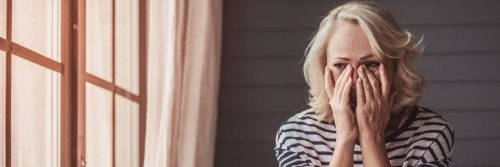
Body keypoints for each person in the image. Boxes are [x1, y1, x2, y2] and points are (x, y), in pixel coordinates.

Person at [274, 1, 454, 167]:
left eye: (371, 64)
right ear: (324, 68)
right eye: (340, 66)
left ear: (396, 67)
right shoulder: (296, 135)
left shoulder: (431, 133)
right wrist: (345, 138)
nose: (354, 80)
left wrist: (372, 138)